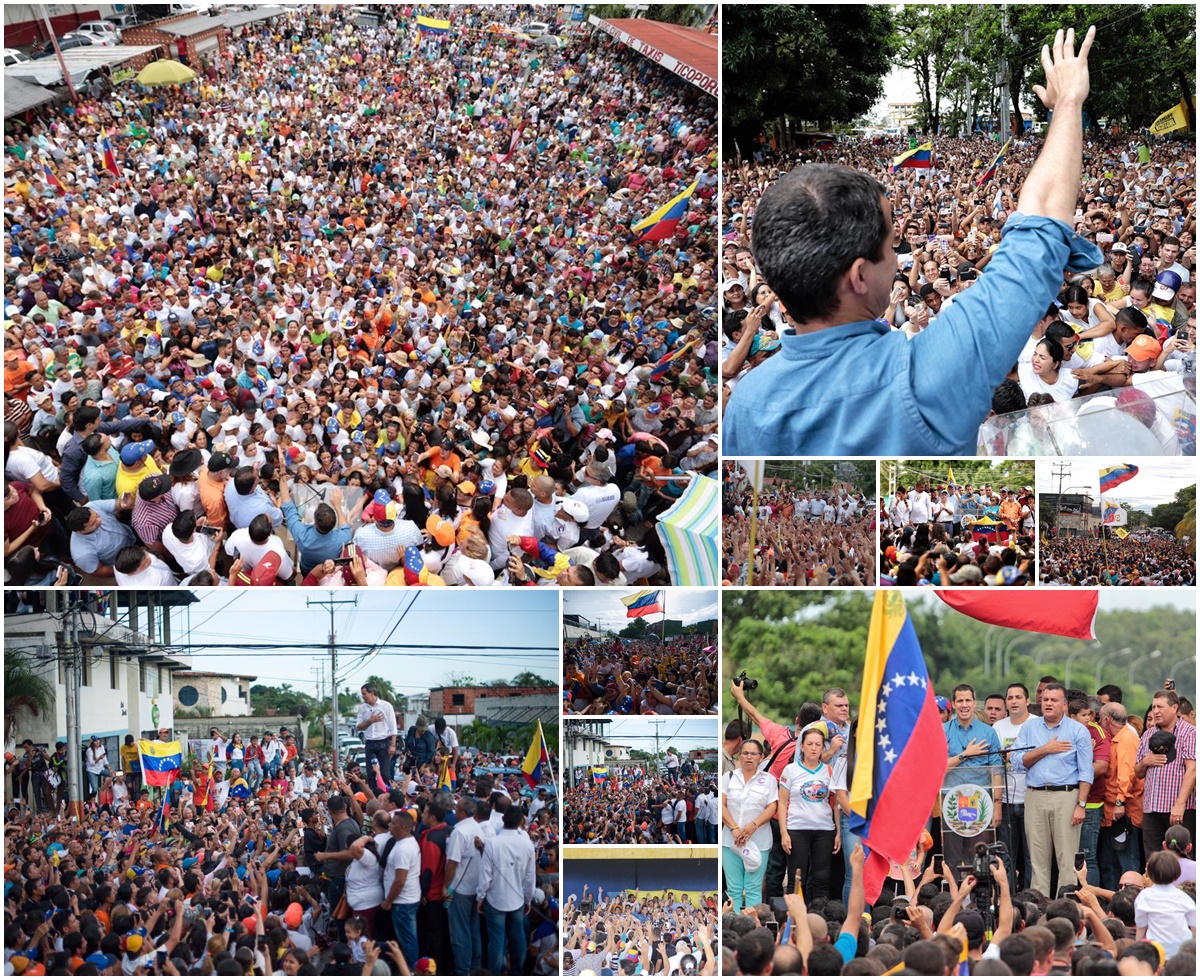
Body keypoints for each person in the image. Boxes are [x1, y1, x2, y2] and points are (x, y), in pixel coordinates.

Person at [724, 27, 1104, 455]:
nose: (899, 258)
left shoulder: (746, 404)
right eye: (890, 247)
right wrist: (1069, 102)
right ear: (860, 275)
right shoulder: (926, 375)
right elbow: (1042, 227)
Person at [1011, 682, 1095, 896]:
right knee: (1037, 859)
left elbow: (1086, 772)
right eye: (1045, 699)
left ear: (1064, 704)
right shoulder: (1030, 728)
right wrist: (1045, 750)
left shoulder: (1078, 730)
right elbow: (1017, 761)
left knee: (1067, 859)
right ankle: (1038, 909)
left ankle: (1065, 910)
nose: (1048, 703)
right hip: (1035, 795)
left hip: (1067, 796)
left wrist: (1081, 805)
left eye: (1054, 700)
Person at [779, 725, 840, 902]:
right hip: (797, 829)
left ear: (823, 747)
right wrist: (784, 832)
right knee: (796, 878)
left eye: (818, 744)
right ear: (802, 746)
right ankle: (793, 920)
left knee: (822, 878)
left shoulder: (829, 770)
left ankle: (820, 919)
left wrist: (837, 833)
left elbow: (835, 803)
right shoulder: (790, 770)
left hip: (824, 830)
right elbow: (782, 803)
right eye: (810, 744)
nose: (814, 748)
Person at [478, 805, 537, 976]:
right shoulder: (526, 844)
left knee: (497, 941)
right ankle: (516, 972)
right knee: (516, 938)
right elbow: (530, 877)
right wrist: (528, 900)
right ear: (521, 822)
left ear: (503, 820)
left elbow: (485, 876)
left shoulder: (492, 843)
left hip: (496, 900)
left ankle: (496, 974)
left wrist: (480, 897)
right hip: (516, 900)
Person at [720, 739, 778, 912]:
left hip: (758, 841)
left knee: (753, 888)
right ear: (739, 755)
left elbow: (772, 807)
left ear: (761, 757)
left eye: (754, 754)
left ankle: (752, 927)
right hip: (730, 841)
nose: (749, 757)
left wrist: (753, 825)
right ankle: (732, 929)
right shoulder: (728, 777)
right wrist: (734, 828)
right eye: (745, 753)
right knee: (734, 889)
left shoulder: (769, 780)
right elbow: (722, 805)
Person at [1136, 689, 1197, 854]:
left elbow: (1192, 770)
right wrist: (1145, 762)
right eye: (1154, 707)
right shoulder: (1148, 734)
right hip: (1151, 808)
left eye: (1160, 707)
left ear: (1174, 708)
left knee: (1181, 860)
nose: (1155, 711)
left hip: (1179, 810)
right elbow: (1138, 772)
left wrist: (1180, 804)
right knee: (1153, 861)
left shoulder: (1189, 733)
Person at [357, 683, 398, 787]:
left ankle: (387, 793)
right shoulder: (362, 708)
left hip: (383, 742)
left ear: (372, 693)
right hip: (370, 742)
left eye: (364, 694)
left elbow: (393, 727)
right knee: (370, 772)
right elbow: (358, 726)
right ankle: (373, 795)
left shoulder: (386, 706)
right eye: (362, 694)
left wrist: (392, 745)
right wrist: (370, 721)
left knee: (385, 772)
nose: (363, 696)